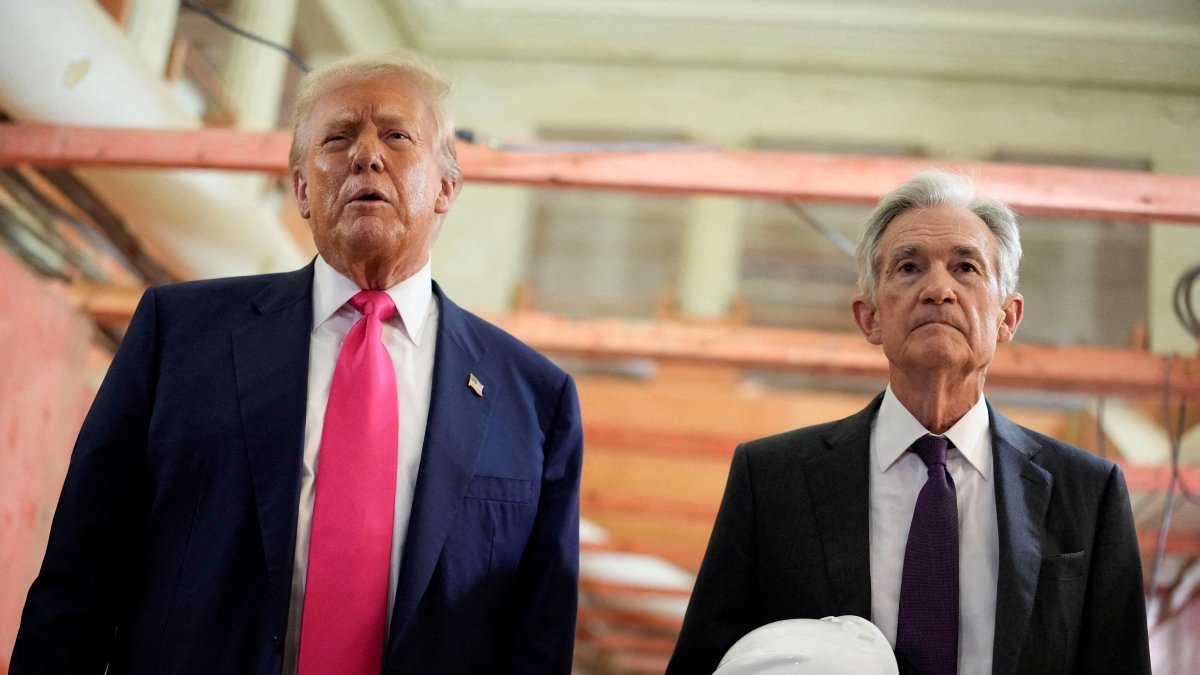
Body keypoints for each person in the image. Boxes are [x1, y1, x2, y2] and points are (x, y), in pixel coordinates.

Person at [12, 52, 583, 674]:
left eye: (396, 135)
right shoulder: (178, 336)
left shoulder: (534, 399)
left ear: (447, 186)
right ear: (303, 189)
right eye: (338, 138)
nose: (366, 155)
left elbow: (539, 637)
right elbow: (81, 570)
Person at [667, 171, 1150, 675]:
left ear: (1008, 316)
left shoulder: (1087, 494)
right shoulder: (770, 480)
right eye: (908, 267)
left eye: (965, 267)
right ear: (869, 316)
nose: (937, 289)